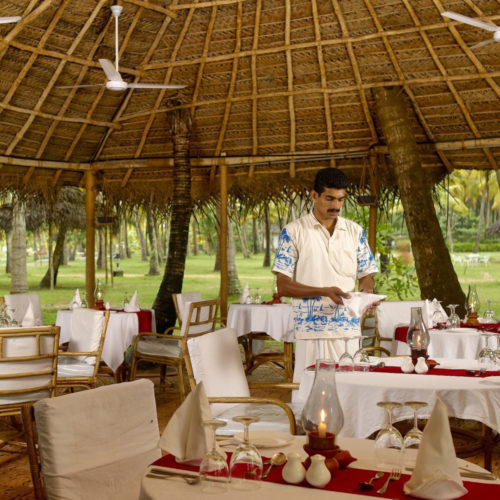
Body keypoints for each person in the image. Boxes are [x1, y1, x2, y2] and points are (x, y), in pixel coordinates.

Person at [272, 167, 378, 383]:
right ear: (314, 195)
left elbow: (366, 274)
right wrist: (324, 292)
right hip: (311, 331)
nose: (336, 206)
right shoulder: (293, 231)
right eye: (330, 199)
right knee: (309, 397)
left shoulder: (355, 231)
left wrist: (366, 292)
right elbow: (282, 286)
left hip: (348, 329)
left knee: (348, 395)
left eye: (340, 200)